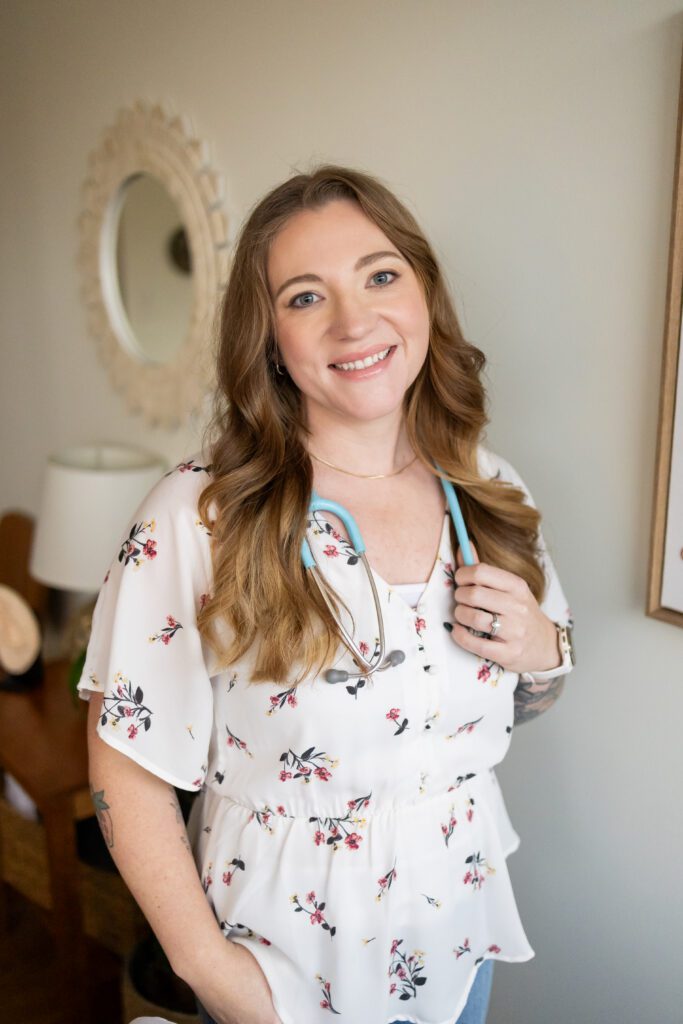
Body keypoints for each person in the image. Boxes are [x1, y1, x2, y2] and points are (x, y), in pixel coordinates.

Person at [78, 164, 575, 1024]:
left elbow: (526, 693)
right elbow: (124, 761)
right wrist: (211, 972)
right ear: (267, 336)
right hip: (274, 964)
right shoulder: (200, 515)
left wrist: (541, 651)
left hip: (455, 946)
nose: (355, 321)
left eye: (381, 276)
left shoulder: (489, 490)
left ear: (423, 293)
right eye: (306, 297)